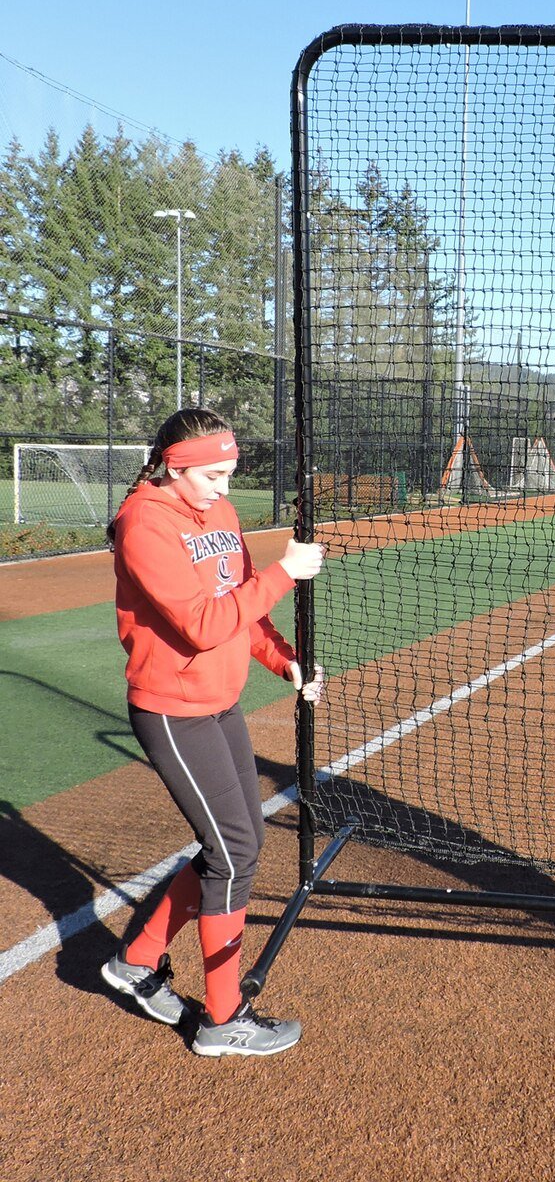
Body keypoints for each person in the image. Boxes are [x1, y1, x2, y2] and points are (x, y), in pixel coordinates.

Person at [99, 407, 325, 1057]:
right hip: (172, 709)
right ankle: (223, 1022)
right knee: (233, 853)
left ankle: (138, 962)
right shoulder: (144, 523)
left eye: (230, 474)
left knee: (237, 844)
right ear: (175, 467)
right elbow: (202, 624)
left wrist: (285, 660)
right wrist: (288, 574)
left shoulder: (220, 516)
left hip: (219, 703)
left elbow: (241, 602)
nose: (224, 489)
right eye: (213, 476)